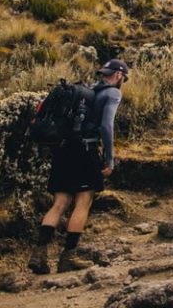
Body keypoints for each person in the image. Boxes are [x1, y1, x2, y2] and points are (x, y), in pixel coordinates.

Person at [28, 59, 129, 275]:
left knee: (60, 202)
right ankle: (68, 257)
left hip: (63, 149)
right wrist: (109, 158)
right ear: (120, 75)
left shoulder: (87, 90)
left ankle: (39, 253)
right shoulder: (112, 94)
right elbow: (106, 126)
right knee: (84, 200)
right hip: (85, 150)